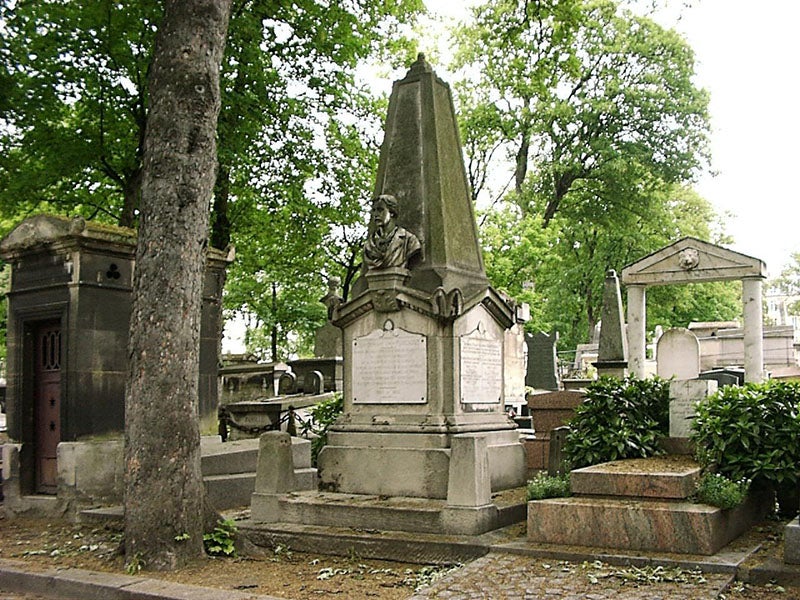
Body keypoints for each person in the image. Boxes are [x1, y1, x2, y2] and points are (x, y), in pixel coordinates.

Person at [363, 194, 421, 269]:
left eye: (380, 210)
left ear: (392, 212)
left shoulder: (409, 241)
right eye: (374, 210)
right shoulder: (369, 246)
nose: (376, 214)